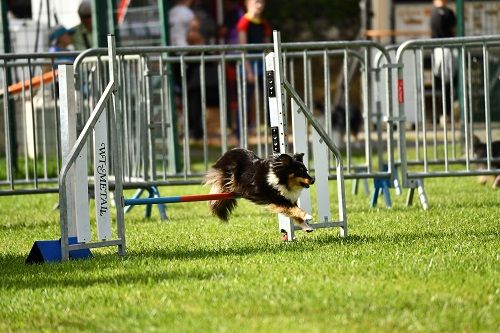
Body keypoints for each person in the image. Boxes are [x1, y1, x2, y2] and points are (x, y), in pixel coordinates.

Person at [236, 0, 271, 134]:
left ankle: (272, 129)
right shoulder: (244, 22)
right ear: (248, 4)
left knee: (270, 98)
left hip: (262, 65)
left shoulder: (263, 23)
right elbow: (242, 49)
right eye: (256, 2)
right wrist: (248, 71)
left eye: (262, 2)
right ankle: (240, 132)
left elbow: (267, 46)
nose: (260, 5)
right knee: (245, 100)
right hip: (248, 66)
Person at [430, 0, 457, 125]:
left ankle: (443, 114)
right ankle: (445, 114)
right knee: (447, 84)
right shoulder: (448, 12)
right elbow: (454, 31)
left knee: (441, 84)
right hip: (447, 50)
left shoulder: (433, 12)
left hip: (437, 50)